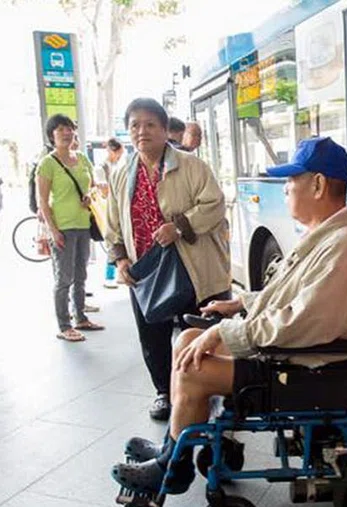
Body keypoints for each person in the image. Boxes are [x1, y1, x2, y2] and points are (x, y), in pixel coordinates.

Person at [110, 136, 347, 495]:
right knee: (187, 340)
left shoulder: (345, 248)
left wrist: (225, 332)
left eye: (291, 181)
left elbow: (301, 322)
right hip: (287, 351)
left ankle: (171, 469)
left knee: (192, 368)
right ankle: (173, 449)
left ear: (316, 184)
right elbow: (287, 296)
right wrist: (240, 305)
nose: (285, 190)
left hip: (302, 364)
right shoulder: (324, 238)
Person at [105, 98, 231, 422]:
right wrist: (120, 260)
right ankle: (164, 391)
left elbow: (214, 205)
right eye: (135, 125)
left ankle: (209, 394)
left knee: (200, 329)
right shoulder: (121, 174)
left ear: (164, 129)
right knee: (153, 335)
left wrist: (179, 227)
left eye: (150, 124)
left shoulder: (191, 166)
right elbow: (113, 225)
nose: (142, 131)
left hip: (194, 265)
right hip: (146, 270)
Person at [35, 114, 105, 342]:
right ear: (52, 135)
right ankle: (64, 325)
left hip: (83, 224)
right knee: (63, 278)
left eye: (69, 128)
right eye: (60, 129)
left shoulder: (83, 159)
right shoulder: (47, 164)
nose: (66, 132)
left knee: (81, 274)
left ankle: (81, 317)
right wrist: (53, 231)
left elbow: (93, 187)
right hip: (62, 228)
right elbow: (43, 201)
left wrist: (89, 196)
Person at [97, 138, 127, 288]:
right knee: (112, 240)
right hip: (106, 207)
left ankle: (117, 274)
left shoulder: (119, 164)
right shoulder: (102, 167)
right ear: (111, 151)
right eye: (119, 153)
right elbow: (102, 190)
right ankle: (109, 277)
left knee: (118, 240)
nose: (120, 155)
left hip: (118, 206)